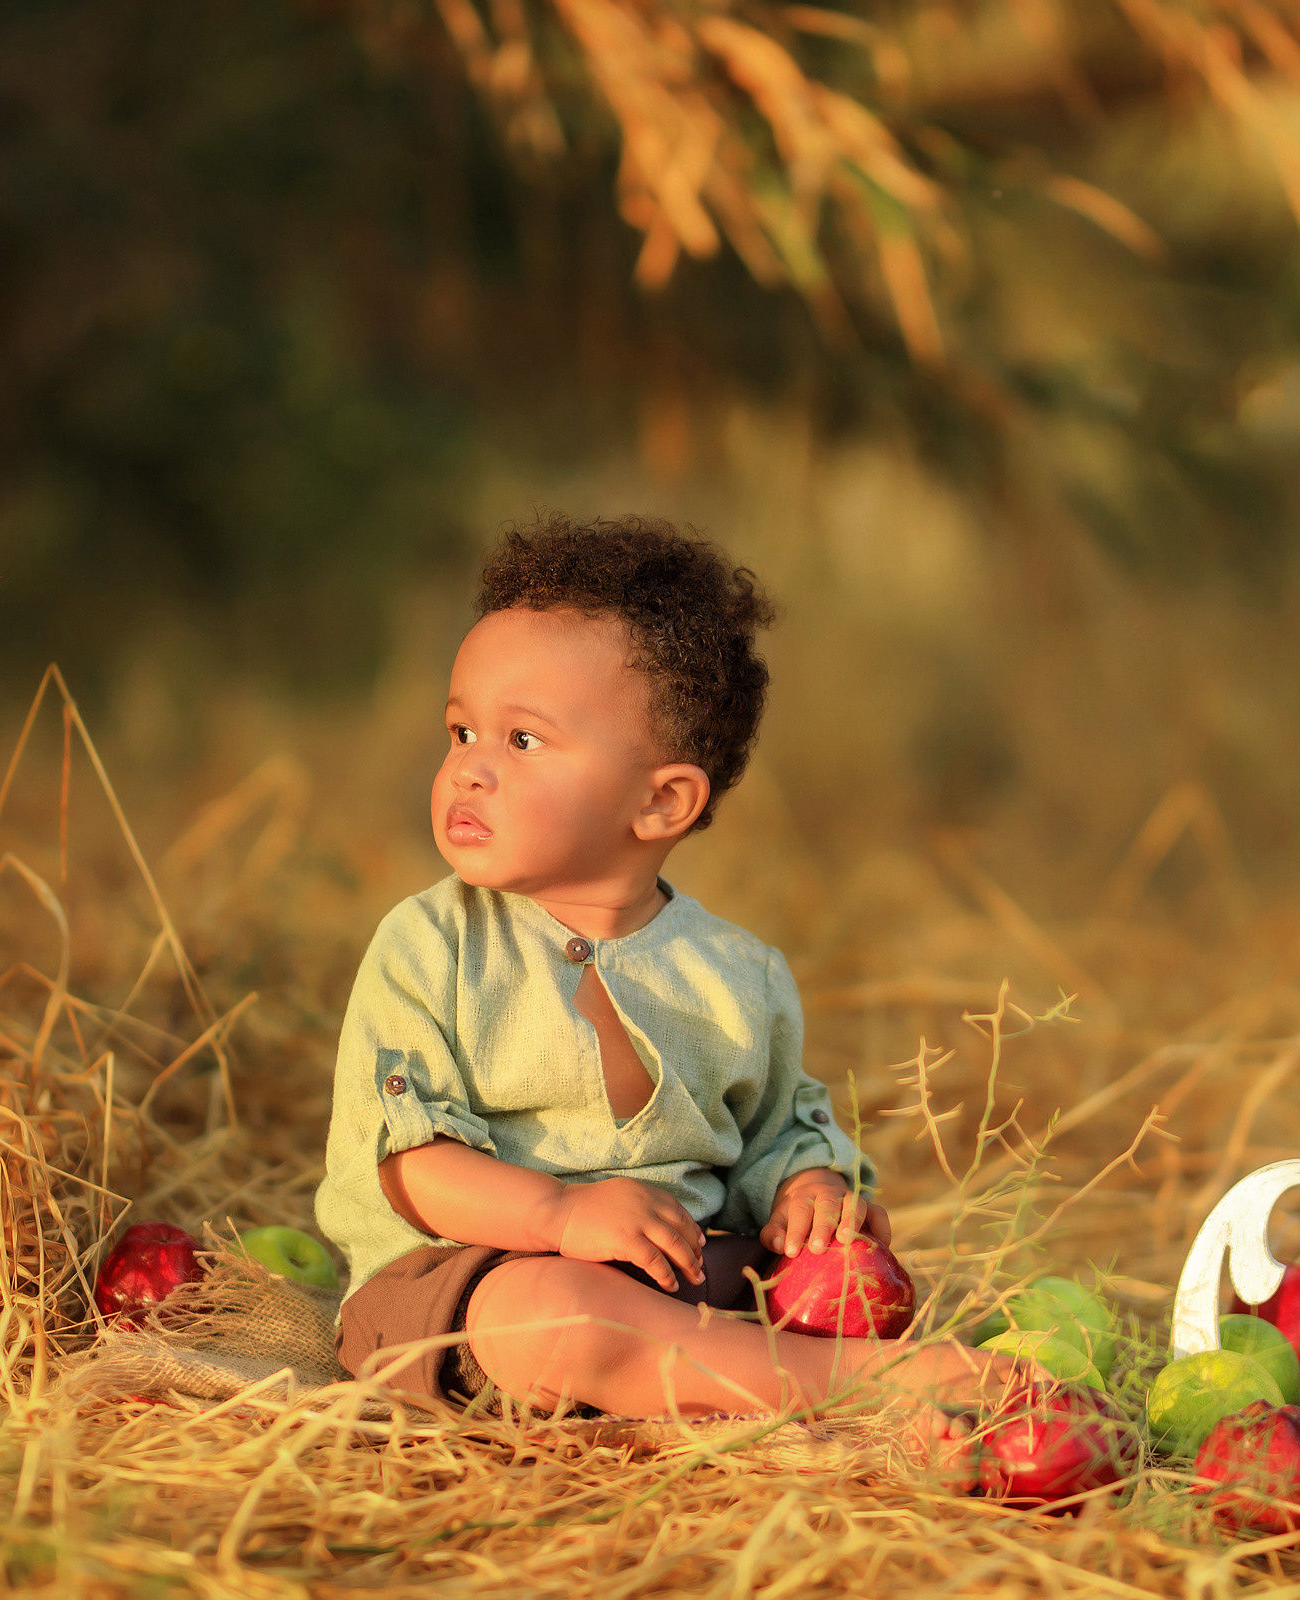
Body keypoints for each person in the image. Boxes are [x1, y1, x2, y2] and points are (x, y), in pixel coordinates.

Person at [313, 514, 1017, 1421]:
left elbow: (773, 1135)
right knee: (560, 1318)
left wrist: (811, 1192)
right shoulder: (431, 946)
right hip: (465, 1285)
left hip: (684, 1277)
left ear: (660, 801)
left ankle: (739, 1387)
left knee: (825, 1276)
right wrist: (559, 1221)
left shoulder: (737, 975)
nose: (469, 771)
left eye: (520, 742)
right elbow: (411, 1167)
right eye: (460, 733)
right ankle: (857, 1393)